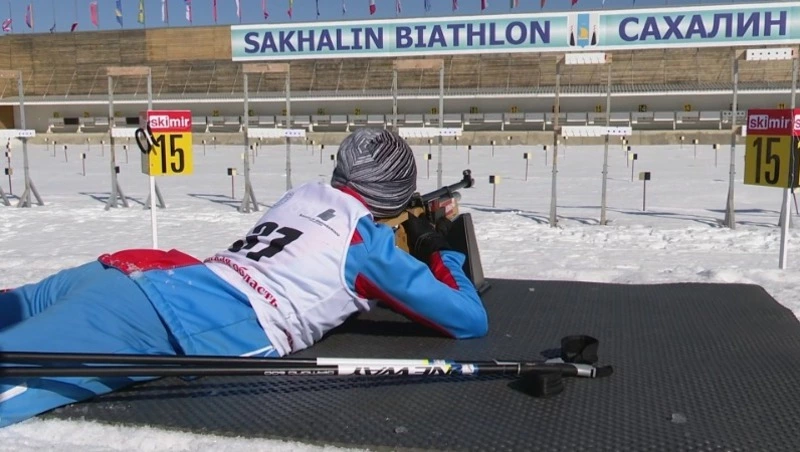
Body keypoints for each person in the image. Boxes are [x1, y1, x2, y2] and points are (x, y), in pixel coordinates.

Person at [0, 128, 488, 428]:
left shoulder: (302, 194)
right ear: (395, 194)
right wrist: (434, 246)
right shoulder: (367, 248)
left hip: (138, 273)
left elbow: (312, 249)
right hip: (161, 320)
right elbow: (468, 318)